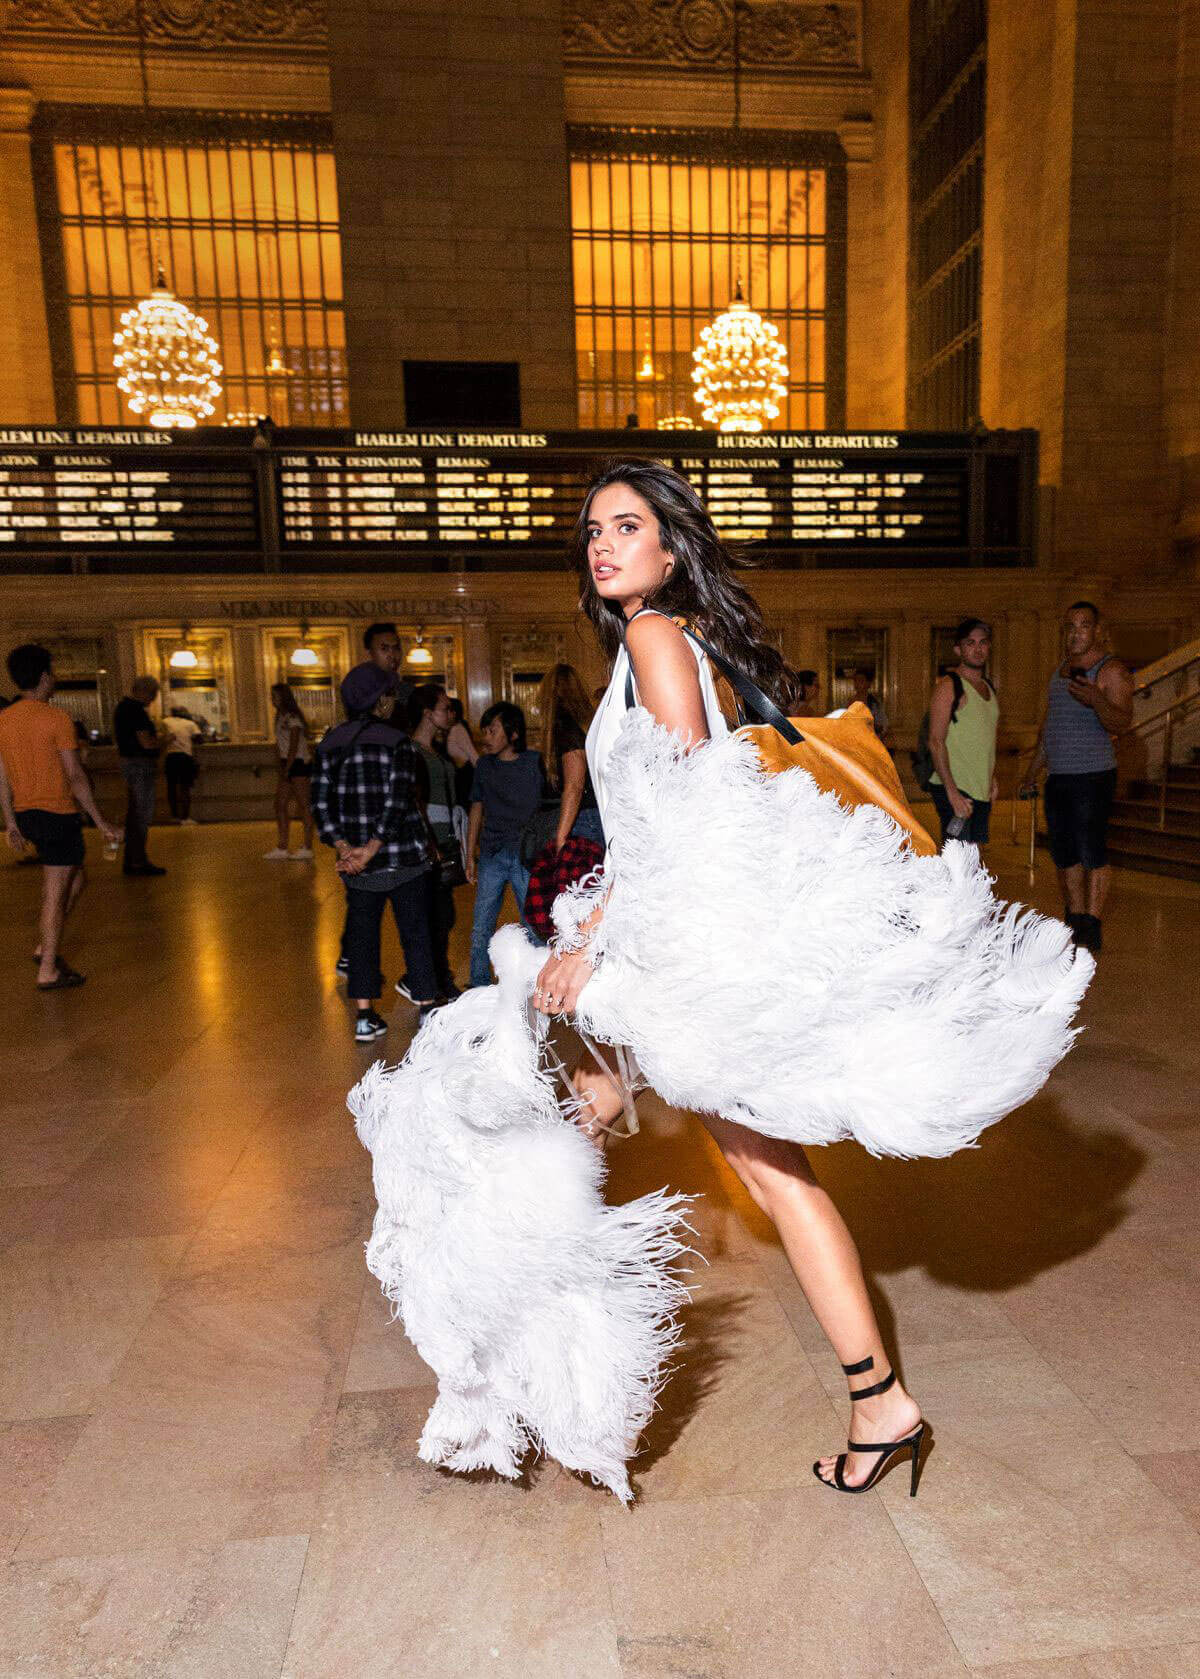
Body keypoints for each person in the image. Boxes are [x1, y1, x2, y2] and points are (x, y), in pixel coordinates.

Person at [350, 461, 1092, 1503]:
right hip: (675, 954)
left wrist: (595, 942)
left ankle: (874, 1401)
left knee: (755, 1171)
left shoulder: (657, 638)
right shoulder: (658, 642)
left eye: (627, 525)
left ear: (669, 544)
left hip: (679, 961)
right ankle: (530, 1366)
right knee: (607, 1122)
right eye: (593, 529)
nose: (604, 543)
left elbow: (687, 816)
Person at [312, 663, 439, 1041]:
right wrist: (374, 847)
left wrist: (345, 847)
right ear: (381, 701)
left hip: (357, 868)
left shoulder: (330, 743)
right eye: (388, 696)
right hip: (403, 858)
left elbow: (320, 804)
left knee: (363, 937)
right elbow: (399, 800)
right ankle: (427, 1008)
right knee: (416, 932)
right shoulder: (397, 741)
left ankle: (365, 1018)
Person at [0, 643, 120, 989]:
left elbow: (2, 776)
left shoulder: (5, 720)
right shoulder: (56, 718)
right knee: (55, 890)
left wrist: (10, 821)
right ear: (43, 677)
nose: (55, 678)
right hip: (56, 813)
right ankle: (48, 969)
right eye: (52, 672)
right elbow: (76, 777)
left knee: (76, 878)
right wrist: (101, 822)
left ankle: (44, 946)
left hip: (28, 815)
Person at [1021, 601, 1133, 953]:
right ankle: (1076, 916)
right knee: (1065, 853)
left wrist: (1097, 700)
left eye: (1083, 626)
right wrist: (1031, 772)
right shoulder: (1060, 671)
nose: (1075, 633)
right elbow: (1049, 728)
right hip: (1060, 777)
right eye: (1070, 626)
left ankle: (1093, 923)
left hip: (1093, 775)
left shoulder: (1110, 670)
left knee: (1091, 851)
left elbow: (1122, 722)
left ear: (1097, 630)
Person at [521, 664, 606, 941]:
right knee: (591, 899)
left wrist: (560, 837)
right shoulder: (587, 727)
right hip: (596, 818)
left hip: (583, 822)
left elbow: (574, 786)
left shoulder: (566, 730)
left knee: (576, 903)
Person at [466, 701, 543, 988]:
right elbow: (477, 807)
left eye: (492, 730)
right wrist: (469, 853)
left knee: (533, 923)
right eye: (484, 731)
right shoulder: (484, 766)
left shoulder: (534, 763)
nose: (486, 737)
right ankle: (478, 983)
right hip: (492, 853)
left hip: (525, 854)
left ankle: (538, 982)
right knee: (481, 924)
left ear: (512, 734)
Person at [405, 682, 463, 1001]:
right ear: (428, 714)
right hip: (428, 843)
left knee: (443, 915)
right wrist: (430, 842)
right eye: (445, 708)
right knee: (435, 916)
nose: (451, 713)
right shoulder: (412, 751)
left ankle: (436, 975)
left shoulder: (436, 751)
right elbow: (415, 801)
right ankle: (434, 978)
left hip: (446, 838)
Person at [926, 618, 999, 847]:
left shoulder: (988, 687)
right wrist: (952, 793)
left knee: (973, 857)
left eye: (982, 642)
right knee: (957, 860)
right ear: (958, 649)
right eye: (970, 643)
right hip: (956, 788)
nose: (977, 649)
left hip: (979, 788)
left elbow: (986, 737)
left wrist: (991, 776)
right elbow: (935, 742)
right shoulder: (949, 687)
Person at [113, 675, 165, 876]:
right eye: (152, 695)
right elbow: (146, 743)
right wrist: (165, 741)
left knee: (135, 813)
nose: (152, 700)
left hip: (130, 764)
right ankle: (137, 860)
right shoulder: (135, 711)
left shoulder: (123, 709)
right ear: (143, 692)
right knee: (140, 814)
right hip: (139, 765)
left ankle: (133, 859)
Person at [264, 683, 314, 860]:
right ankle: (282, 846)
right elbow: (281, 745)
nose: (272, 700)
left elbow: (293, 745)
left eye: (274, 696)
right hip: (288, 762)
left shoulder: (293, 717)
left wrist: (288, 767)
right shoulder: (280, 717)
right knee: (280, 804)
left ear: (283, 697)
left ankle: (308, 846)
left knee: (304, 805)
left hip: (298, 762)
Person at [162, 706, 202, 824]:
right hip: (185, 757)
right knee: (185, 788)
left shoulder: (165, 722)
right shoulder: (190, 723)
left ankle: (174, 816)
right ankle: (185, 817)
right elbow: (199, 739)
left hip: (171, 757)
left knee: (172, 788)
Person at [362, 622, 413, 711]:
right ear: (369, 654)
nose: (392, 655)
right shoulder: (360, 691)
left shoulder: (407, 691)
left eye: (396, 648)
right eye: (384, 649)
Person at [443, 696, 479, 809]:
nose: (445, 714)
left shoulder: (458, 729)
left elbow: (473, 756)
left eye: (447, 711)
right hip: (459, 777)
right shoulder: (449, 730)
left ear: (453, 713)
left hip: (464, 777)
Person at [851, 667, 891, 744]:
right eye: (855, 680)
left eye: (861, 680)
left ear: (868, 683)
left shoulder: (874, 703)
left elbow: (884, 726)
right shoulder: (849, 702)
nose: (857, 684)